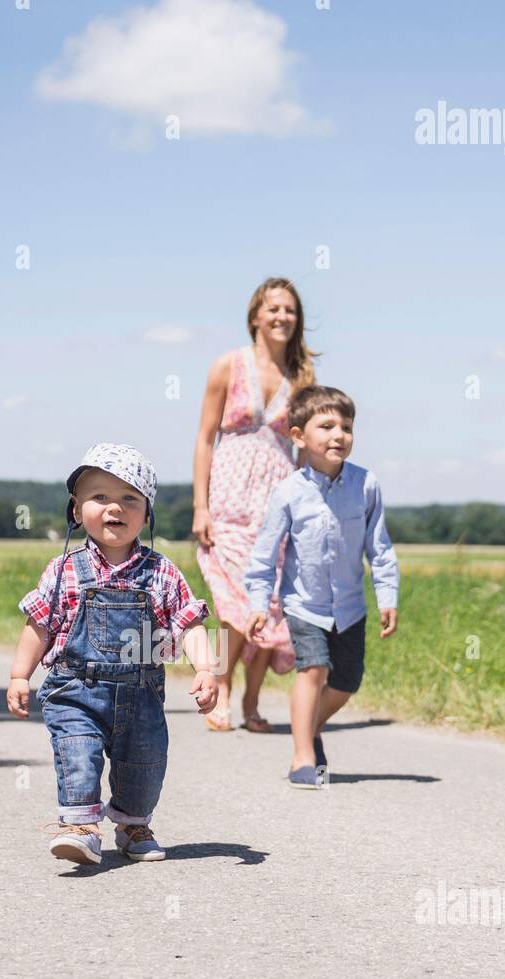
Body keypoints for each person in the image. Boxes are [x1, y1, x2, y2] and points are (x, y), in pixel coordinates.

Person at [6, 443, 218, 864]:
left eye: (129, 499)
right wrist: (19, 675)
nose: (114, 508)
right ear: (75, 510)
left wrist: (208, 667)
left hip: (141, 695)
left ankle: (133, 824)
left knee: (144, 764)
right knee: (78, 750)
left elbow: (188, 622)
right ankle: (80, 827)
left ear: (146, 513)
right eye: (99, 497)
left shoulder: (161, 571)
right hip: (75, 689)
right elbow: (38, 625)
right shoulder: (63, 569)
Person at [244, 387, 399, 788]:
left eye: (346, 427)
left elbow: (379, 549)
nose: (338, 435)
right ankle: (302, 757)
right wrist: (259, 604)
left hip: (350, 605)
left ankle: (307, 728)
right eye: (326, 425)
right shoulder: (289, 491)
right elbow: (264, 554)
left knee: (346, 682)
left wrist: (388, 596)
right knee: (312, 669)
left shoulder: (366, 485)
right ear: (299, 436)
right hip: (304, 604)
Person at [191, 276, 320, 732]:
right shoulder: (228, 365)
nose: (282, 316)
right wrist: (200, 507)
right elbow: (206, 439)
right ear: (255, 317)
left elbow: (307, 450)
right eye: (274, 308)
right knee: (231, 607)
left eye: (290, 310)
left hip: (278, 498)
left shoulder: (303, 378)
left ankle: (251, 701)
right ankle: (221, 691)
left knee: (270, 605)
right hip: (228, 496)